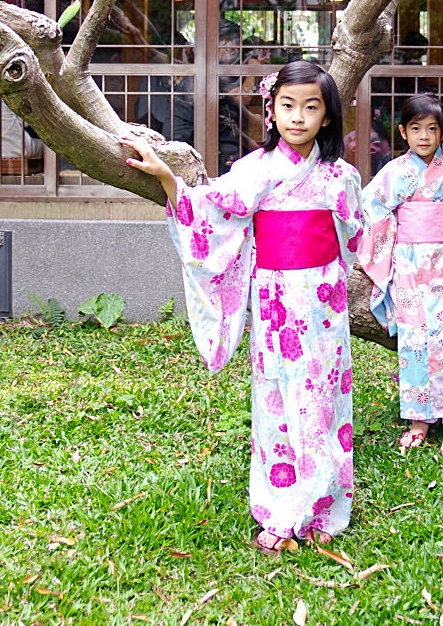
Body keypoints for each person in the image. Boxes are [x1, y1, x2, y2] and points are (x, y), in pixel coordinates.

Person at [119, 61, 363, 555]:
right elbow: (210, 208)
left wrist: (331, 278)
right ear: (270, 111)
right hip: (274, 302)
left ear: (328, 117)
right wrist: (169, 179)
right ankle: (279, 507)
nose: (298, 117)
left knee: (321, 399)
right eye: (287, 105)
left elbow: (355, 235)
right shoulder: (256, 170)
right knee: (274, 400)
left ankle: (321, 508)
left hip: (323, 302)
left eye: (311, 107)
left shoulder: (341, 176)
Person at [356, 94, 443, 455]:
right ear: (403, 132)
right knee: (413, 338)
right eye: (416, 129)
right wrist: (388, 246)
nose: (425, 136)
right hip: (406, 263)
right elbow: (371, 206)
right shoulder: (396, 172)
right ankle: (418, 417)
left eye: (432, 129)